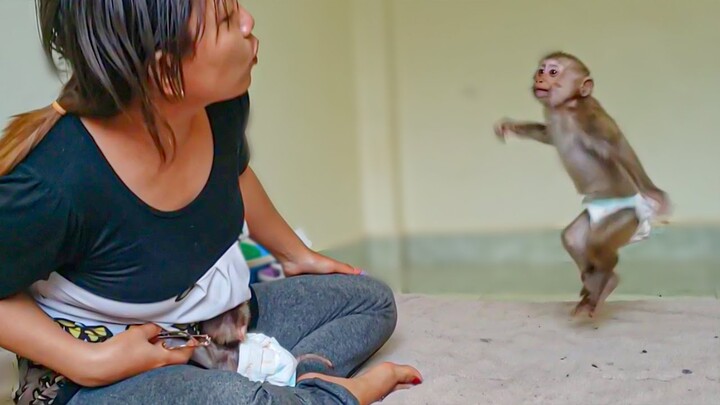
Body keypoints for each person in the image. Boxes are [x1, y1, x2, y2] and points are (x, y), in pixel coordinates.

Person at [0, 1, 422, 404]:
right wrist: (90, 363)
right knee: (232, 399)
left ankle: (297, 387)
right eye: (225, 19)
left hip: (208, 328)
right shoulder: (55, 183)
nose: (248, 21)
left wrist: (294, 253)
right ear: (166, 70)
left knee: (370, 300)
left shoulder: (219, 107)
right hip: (103, 375)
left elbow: (234, 173)